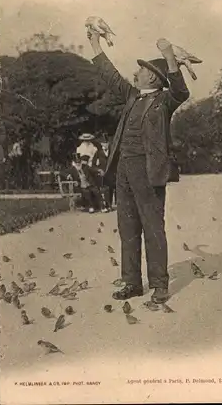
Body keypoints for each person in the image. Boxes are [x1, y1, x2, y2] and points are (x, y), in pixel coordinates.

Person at [87, 24, 190, 304]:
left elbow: (181, 90)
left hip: (148, 170)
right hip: (123, 169)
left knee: (153, 227)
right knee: (128, 227)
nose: (138, 71)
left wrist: (168, 55)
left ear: (155, 77)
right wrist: (96, 44)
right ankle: (132, 282)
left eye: (143, 69)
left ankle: (159, 285)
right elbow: (110, 76)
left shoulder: (165, 100)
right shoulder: (132, 96)